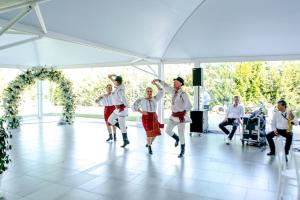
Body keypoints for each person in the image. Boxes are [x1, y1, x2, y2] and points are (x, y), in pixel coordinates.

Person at [153, 77, 192, 158]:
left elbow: (189, 105)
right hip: (173, 116)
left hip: (181, 117)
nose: (174, 83)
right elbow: (166, 86)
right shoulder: (173, 91)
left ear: (180, 84)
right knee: (167, 130)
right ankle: (176, 138)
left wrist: (183, 113)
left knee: (181, 133)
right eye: (174, 82)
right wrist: (159, 81)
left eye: (176, 82)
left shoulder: (183, 94)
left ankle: (182, 150)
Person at [132, 80, 164, 155]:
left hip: (154, 117)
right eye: (148, 91)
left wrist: (156, 84)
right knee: (149, 134)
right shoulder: (141, 100)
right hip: (146, 118)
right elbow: (134, 106)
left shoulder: (154, 98)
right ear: (145, 92)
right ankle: (149, 147)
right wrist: (141, 111)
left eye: (150, 91)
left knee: (156, 133)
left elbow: (161, 91)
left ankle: (149, 143)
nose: (149, 92)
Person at [107, 74, 130, 148]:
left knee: (122, 126)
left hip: (121, 109)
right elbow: (115, 80)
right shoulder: (118, 86)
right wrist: (113, 76)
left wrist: (126, 105)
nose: (114, 82)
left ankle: (126, 140)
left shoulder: (120, 90)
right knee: (110, 120)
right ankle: (121, 126)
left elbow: (124, 99)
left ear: (118, 82)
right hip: (117, 109)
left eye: (115, 81)